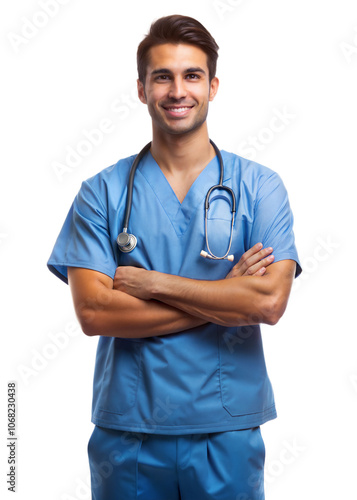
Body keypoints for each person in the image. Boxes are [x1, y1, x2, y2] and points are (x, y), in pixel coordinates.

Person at [47, 14, 302, 500]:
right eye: (162, 76)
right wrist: (227, 294)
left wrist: (153, 283)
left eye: (192, 76)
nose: (177, 90)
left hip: (226, 431)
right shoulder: (100, 193)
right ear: (142, 89)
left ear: (213, 86)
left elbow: (267, 304)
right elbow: (95, 312)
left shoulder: (260, 187)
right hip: (129, 434)